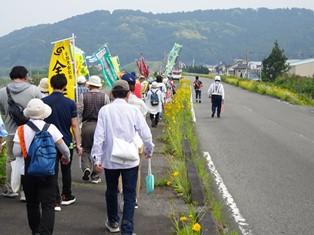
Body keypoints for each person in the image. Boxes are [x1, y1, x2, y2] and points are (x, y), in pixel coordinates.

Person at [91, 80, 154, 235]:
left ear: (112, 94)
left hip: (110, 158)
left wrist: (96, 159)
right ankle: (127, 229)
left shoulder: (105, 111)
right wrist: (149, 149)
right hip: (130, 159)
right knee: (129, 193)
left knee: (111, 190)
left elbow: (99, 137)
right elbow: (146, 134)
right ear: (128, 94)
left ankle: (113, 222)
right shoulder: (134, 111)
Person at [13, 98, 70, 235]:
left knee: (32, 204)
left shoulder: (21, 129)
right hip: (49, 171)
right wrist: (65, 158)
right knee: (48, 205)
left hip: (29, 171)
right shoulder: (51, 128)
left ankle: (36, 231)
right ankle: (45, 233)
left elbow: (16, 152)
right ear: (44, 113)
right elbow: (65, 150)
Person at [0, 66, 42, 198]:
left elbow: (2, 112)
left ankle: (10, 189)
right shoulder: (34, 90)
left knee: (10, 160)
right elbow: (41, 109)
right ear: (25, 76)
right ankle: (25, 191)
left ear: (12, 76)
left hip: (11, 132)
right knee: (28, 160)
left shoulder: (2, 92)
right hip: (30, 132)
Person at [42, 73, 82, 211]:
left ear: (51, 85)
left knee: (51, 170)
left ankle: (54, 199)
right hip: (66, 141)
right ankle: (67, 195)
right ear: (65, 86)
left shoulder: (43, 101)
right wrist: (78, 144)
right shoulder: (70, 103)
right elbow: (75, 125)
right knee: (66, 169)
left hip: (48, 141)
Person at [121, 72, 148, 209]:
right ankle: (134, 199)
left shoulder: (113, 105)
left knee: (119, 172)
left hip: (118, 143)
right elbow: (143, 127)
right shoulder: (139, 104)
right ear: (133, 87)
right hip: (136, 142)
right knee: (135, 171)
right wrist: (148, 145)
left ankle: (122, 196)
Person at [80, 75, 110, 184]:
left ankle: (86, 168)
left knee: (86, 150)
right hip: (100, 127)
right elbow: (107, 114)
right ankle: (95, 175)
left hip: (86, 125)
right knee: (99, 151)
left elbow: (79, 113)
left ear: (89, 85)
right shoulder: (105, 97)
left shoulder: (83, 96)